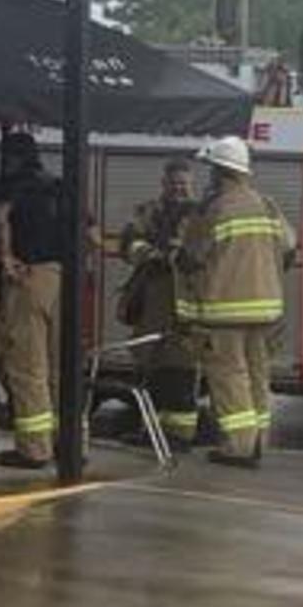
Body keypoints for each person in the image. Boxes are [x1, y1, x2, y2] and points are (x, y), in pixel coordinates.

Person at [179, 136, 294, 469]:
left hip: (224, 312)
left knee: (229, 377)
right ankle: (258, 442)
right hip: (266, 311)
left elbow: (191, 257)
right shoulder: (267, 204)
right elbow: (289, 247)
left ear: (220, 171)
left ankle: (238, 448)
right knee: (258, 376)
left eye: (212, 169)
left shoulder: (214, 209)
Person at [118, 158, 200, 450]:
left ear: (192, 185)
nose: (179, 189)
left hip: (185, 299)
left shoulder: (202, 214)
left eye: (184, 184)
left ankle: (179, 435)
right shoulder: (148, 212)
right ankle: (151, 431)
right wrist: (148, 253)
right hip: (153, 296)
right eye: (174, 183)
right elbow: (127, 241)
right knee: (149, 362)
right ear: (163, 184)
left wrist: (178, 253)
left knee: (181, 364)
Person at [0, 132, 64, 469]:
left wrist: (6, 256)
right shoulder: (61, 185)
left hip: (29, 277)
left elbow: (0, 220)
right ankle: (68, 443)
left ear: (13, 157)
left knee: (27, 366)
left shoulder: (14, 186)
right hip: (64, 280)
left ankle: (35, 449)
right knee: (59, 367)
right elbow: (92, 234)